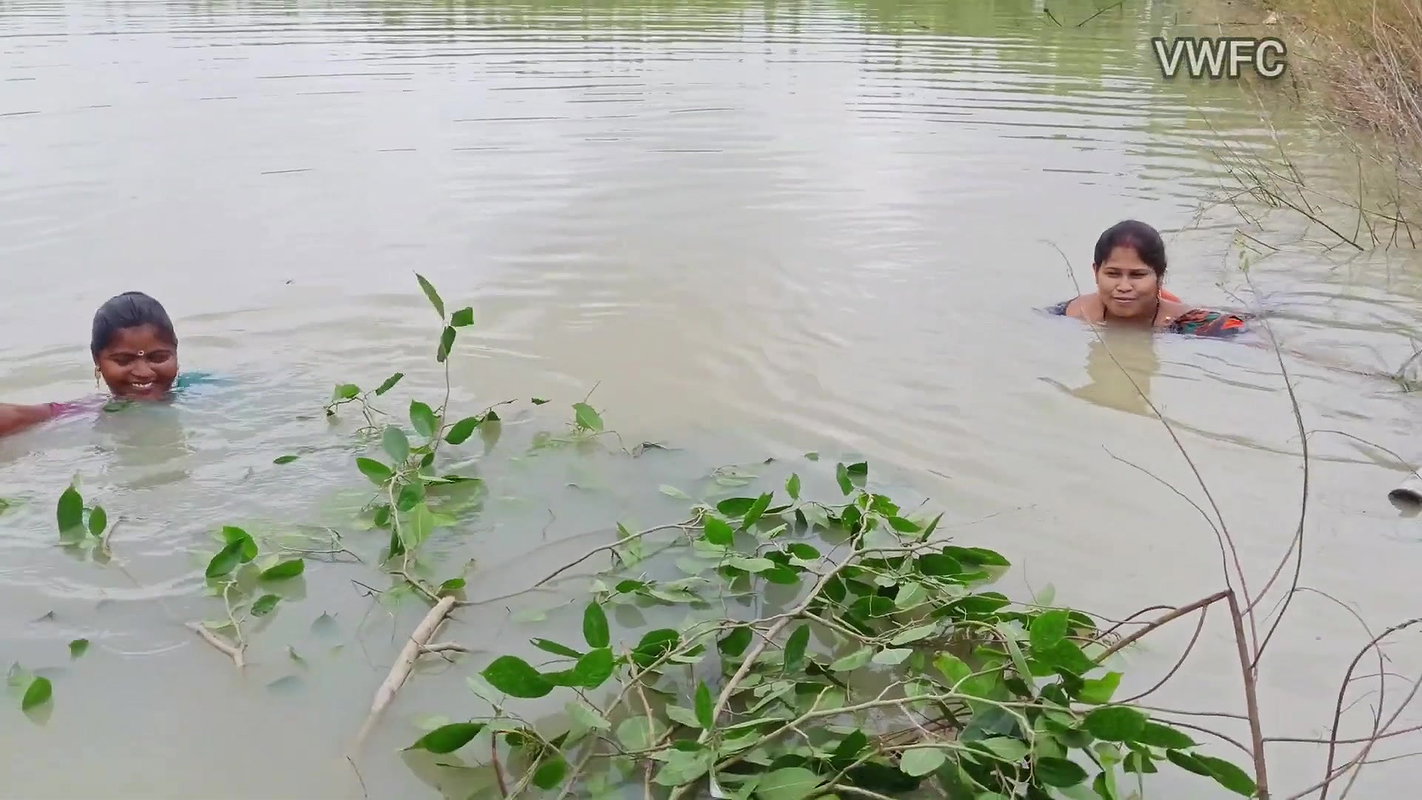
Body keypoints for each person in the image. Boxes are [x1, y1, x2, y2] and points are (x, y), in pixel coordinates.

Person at [0, 291, 184, 438]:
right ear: (97, 360)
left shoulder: (204, 389)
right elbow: (20, 416)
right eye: (123, 360)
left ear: (175, 352)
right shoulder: (89, 412)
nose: (143, 372)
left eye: (158, 358)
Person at [1049, 219, 1247, 338]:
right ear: (1096, 273)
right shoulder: (1068, 314)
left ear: (1160, 277)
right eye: (1113, 274)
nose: (1124, 286)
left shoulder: (1190, 324)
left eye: (1137, 275)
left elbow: (1249, 337)